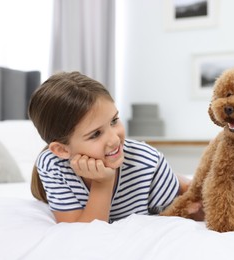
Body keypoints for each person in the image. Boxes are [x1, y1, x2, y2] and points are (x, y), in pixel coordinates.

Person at [28, 71, 191, 223]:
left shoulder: (148, 164)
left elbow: (184, 214)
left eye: (114, 121)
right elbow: (78, 234)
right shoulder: (53, 165)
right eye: (95, 134)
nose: (114, 139)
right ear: (62, 150)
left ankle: (180, 179)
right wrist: (102, 183)